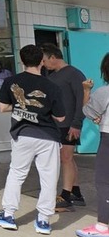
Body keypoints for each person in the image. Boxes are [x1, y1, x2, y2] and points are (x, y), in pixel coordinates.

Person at [0, 44, 65, 235]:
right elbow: (60, 118)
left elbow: (2, 107)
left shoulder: (11, 81)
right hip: (48, 137)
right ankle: (43, 221)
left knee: (17, 173)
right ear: (42, 60)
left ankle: (8, 215)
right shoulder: (52, 86)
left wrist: (21, 108)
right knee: (49, 177)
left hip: (22, 134)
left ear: (21, 60)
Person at [41, 43, 88, 212]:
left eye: (45, 60)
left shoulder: (74, 74)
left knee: (66, 158)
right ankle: (76, 192)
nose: (44, 64)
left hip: (69, 125)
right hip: (55, 124)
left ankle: (66, 196)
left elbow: (83, 100)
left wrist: (77, 123)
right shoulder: (50, 74)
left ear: (53, 57)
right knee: (67, 158)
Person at [75, 53, 109, 237]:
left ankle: (103, 226)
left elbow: (88, 111)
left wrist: (87, 91)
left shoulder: (105, 92)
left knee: (104, 181)